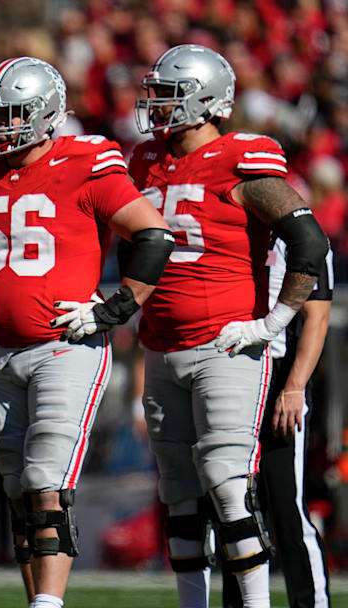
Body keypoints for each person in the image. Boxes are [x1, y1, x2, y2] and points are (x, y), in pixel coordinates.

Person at [0, 56, 174, 608]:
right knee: (17, 489)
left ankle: (50, 603)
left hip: (64, 345)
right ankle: (37, 601)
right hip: (1, 350)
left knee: (45, 478)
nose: (0, 125)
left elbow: (152, 236)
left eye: (13, 114)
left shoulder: (86, 159)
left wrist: (113, 308)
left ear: (47, 114)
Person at [129, 44, 329, 608]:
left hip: (226, 343)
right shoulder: (145, 160)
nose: (156, 105)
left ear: (207, 100)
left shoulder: (244, 156)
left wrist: (272, 325)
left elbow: (311, 246)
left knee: (229, 484)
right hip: (160, 345)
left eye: (168, 94)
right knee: (178, 493)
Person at [221, 238, 333, 607]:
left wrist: (295, 386)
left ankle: (310, 601)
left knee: (287, 507)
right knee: (233, 508)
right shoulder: (228, 222)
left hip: (279, 377)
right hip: (227, 374)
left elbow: (316, 316)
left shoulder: (301, 236)